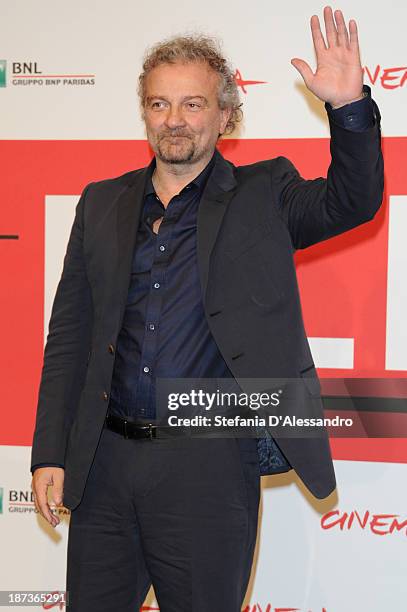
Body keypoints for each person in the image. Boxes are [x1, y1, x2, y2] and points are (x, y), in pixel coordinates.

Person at [30, 6, 384, 611]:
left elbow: (353, 201)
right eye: (160, 104)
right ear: (144, 111)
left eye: (193, 104)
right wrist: (50, 453)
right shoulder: (101, 203)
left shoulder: (264, 194)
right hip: (105, 467)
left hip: (209, 466)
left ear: (226, 115)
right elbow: (69, 336)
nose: (175, 120)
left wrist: (349, 110)